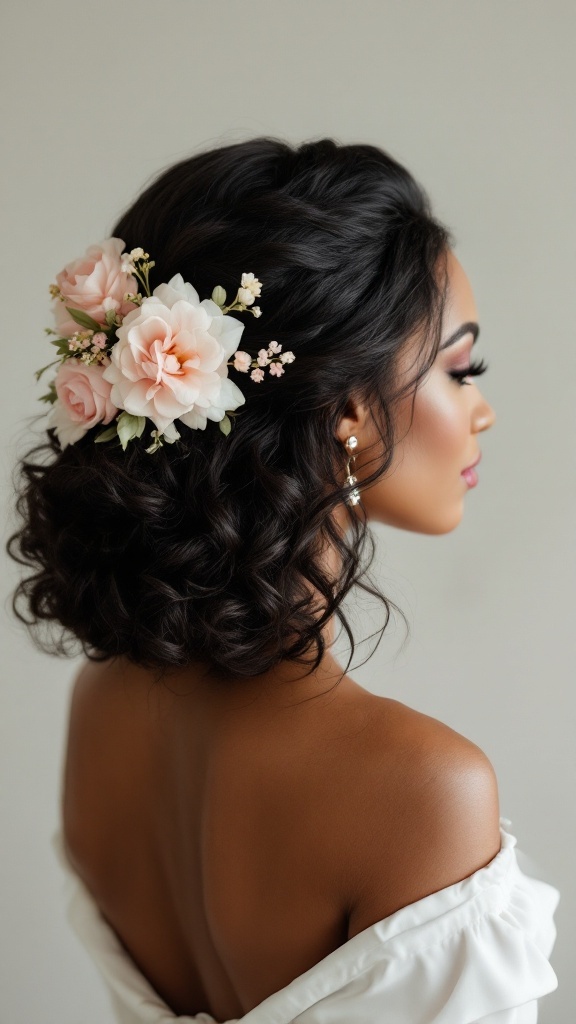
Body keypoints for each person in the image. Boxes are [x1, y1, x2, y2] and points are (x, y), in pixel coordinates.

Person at [9, 137, 559, 1023]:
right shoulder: (424, 789)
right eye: (462, 370)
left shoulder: (103, 703)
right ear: (345, 409)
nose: (483, 410)